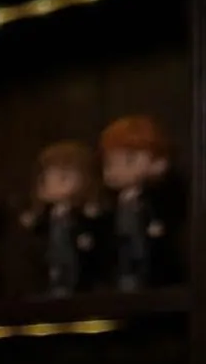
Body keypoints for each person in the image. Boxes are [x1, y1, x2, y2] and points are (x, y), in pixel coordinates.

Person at [99, 115, 171, 290]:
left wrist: (154, 224)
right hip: (121, 240)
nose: (118, 169)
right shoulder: (114, 201)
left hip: (141, 240)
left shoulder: (151, 196)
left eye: (129, 159)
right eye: (110, 163)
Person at [20, 141, 101, 296]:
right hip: (51, 252)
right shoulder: (47, 214)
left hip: (72, 252)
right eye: (46, 178)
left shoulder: (80, 212)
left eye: (63, 177)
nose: (54, 184)